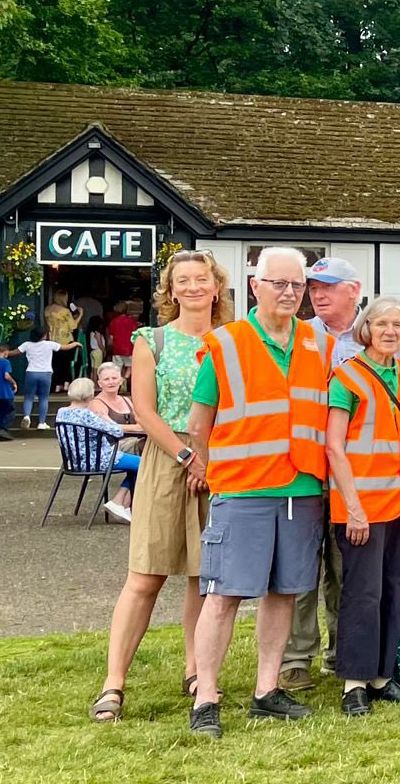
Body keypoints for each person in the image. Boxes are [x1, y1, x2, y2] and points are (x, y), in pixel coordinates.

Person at [184, 246, 334, 737]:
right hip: (244, 491)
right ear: (255, 285)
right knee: (224, 594)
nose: (290, 293)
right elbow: (198, 422)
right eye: (279, 284)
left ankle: (267, 691)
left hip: (303, 486)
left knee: (285, 593)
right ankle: (206, 695)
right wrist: (207, 468)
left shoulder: (320, 343)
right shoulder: (225, 344)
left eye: (298, 285)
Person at [91, 250, 230, 723]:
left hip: (221, 465)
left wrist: (209, 458)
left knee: (203, 576)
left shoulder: (231, 340)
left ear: (216, 287)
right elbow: (145, 411)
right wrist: (189, 455)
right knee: (145, 575)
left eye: (201, 279)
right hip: (168, 460)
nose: (192, 287)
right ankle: (114, 682)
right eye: (183, 281)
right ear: (171, 291)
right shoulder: (153, 340)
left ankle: (196, 671)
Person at [323, 298, 400, 714]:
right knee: (363, 592)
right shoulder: (347, 377)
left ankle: (383, 676)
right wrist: (352, 507)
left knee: (396, 589)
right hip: (363, 505)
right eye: (382, 323)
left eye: (399, 324)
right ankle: (354, 683)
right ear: (366, 329)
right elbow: (334, 446)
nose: (391, 331)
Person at [281, 257, 365, 692]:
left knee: (345, 568)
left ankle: (340, 652)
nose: (317, 294)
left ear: (354, 290)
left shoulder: (374, 338)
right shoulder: (298, 337)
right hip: (306, 468)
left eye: (328, 286)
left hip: (356, 472)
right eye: (314, 286)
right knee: (299, 571)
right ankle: (296, 658)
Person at [54, 379, 141, 517]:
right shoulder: (88, 415)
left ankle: (121, 503)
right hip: (100, 459)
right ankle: (119, 501)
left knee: (134, 464)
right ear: (90, 395)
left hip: (74, 461)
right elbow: (116, 431)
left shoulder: (61, 412)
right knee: (144, 464)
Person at [18, 328, 77, 428]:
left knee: (28, 397)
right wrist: (76, 343)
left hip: (31, 373)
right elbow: (65, 347)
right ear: (44, 335)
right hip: (46, 374)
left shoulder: (27, 344)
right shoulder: (49, 344)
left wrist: (4, 353)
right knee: (44, 398)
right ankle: (41, 423)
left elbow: (14, 352)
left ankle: (27, 416)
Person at [44, 289, 79, 391]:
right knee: (65, 363)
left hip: (51, 338)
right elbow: (73, 326)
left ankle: (55, 384)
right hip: (65, 340)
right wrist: (80, 314)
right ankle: (65, 383)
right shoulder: (65, 311)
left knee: (54, 363)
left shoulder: (47, 309)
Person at [109, 301, 141, 367]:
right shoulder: (132, 321)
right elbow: (136, 335)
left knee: (117, 368)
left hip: (117, 349)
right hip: (129, 349)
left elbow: (111, 338)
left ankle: (121, 377)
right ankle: (126, 377)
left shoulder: (113, 322)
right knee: (130, 366)